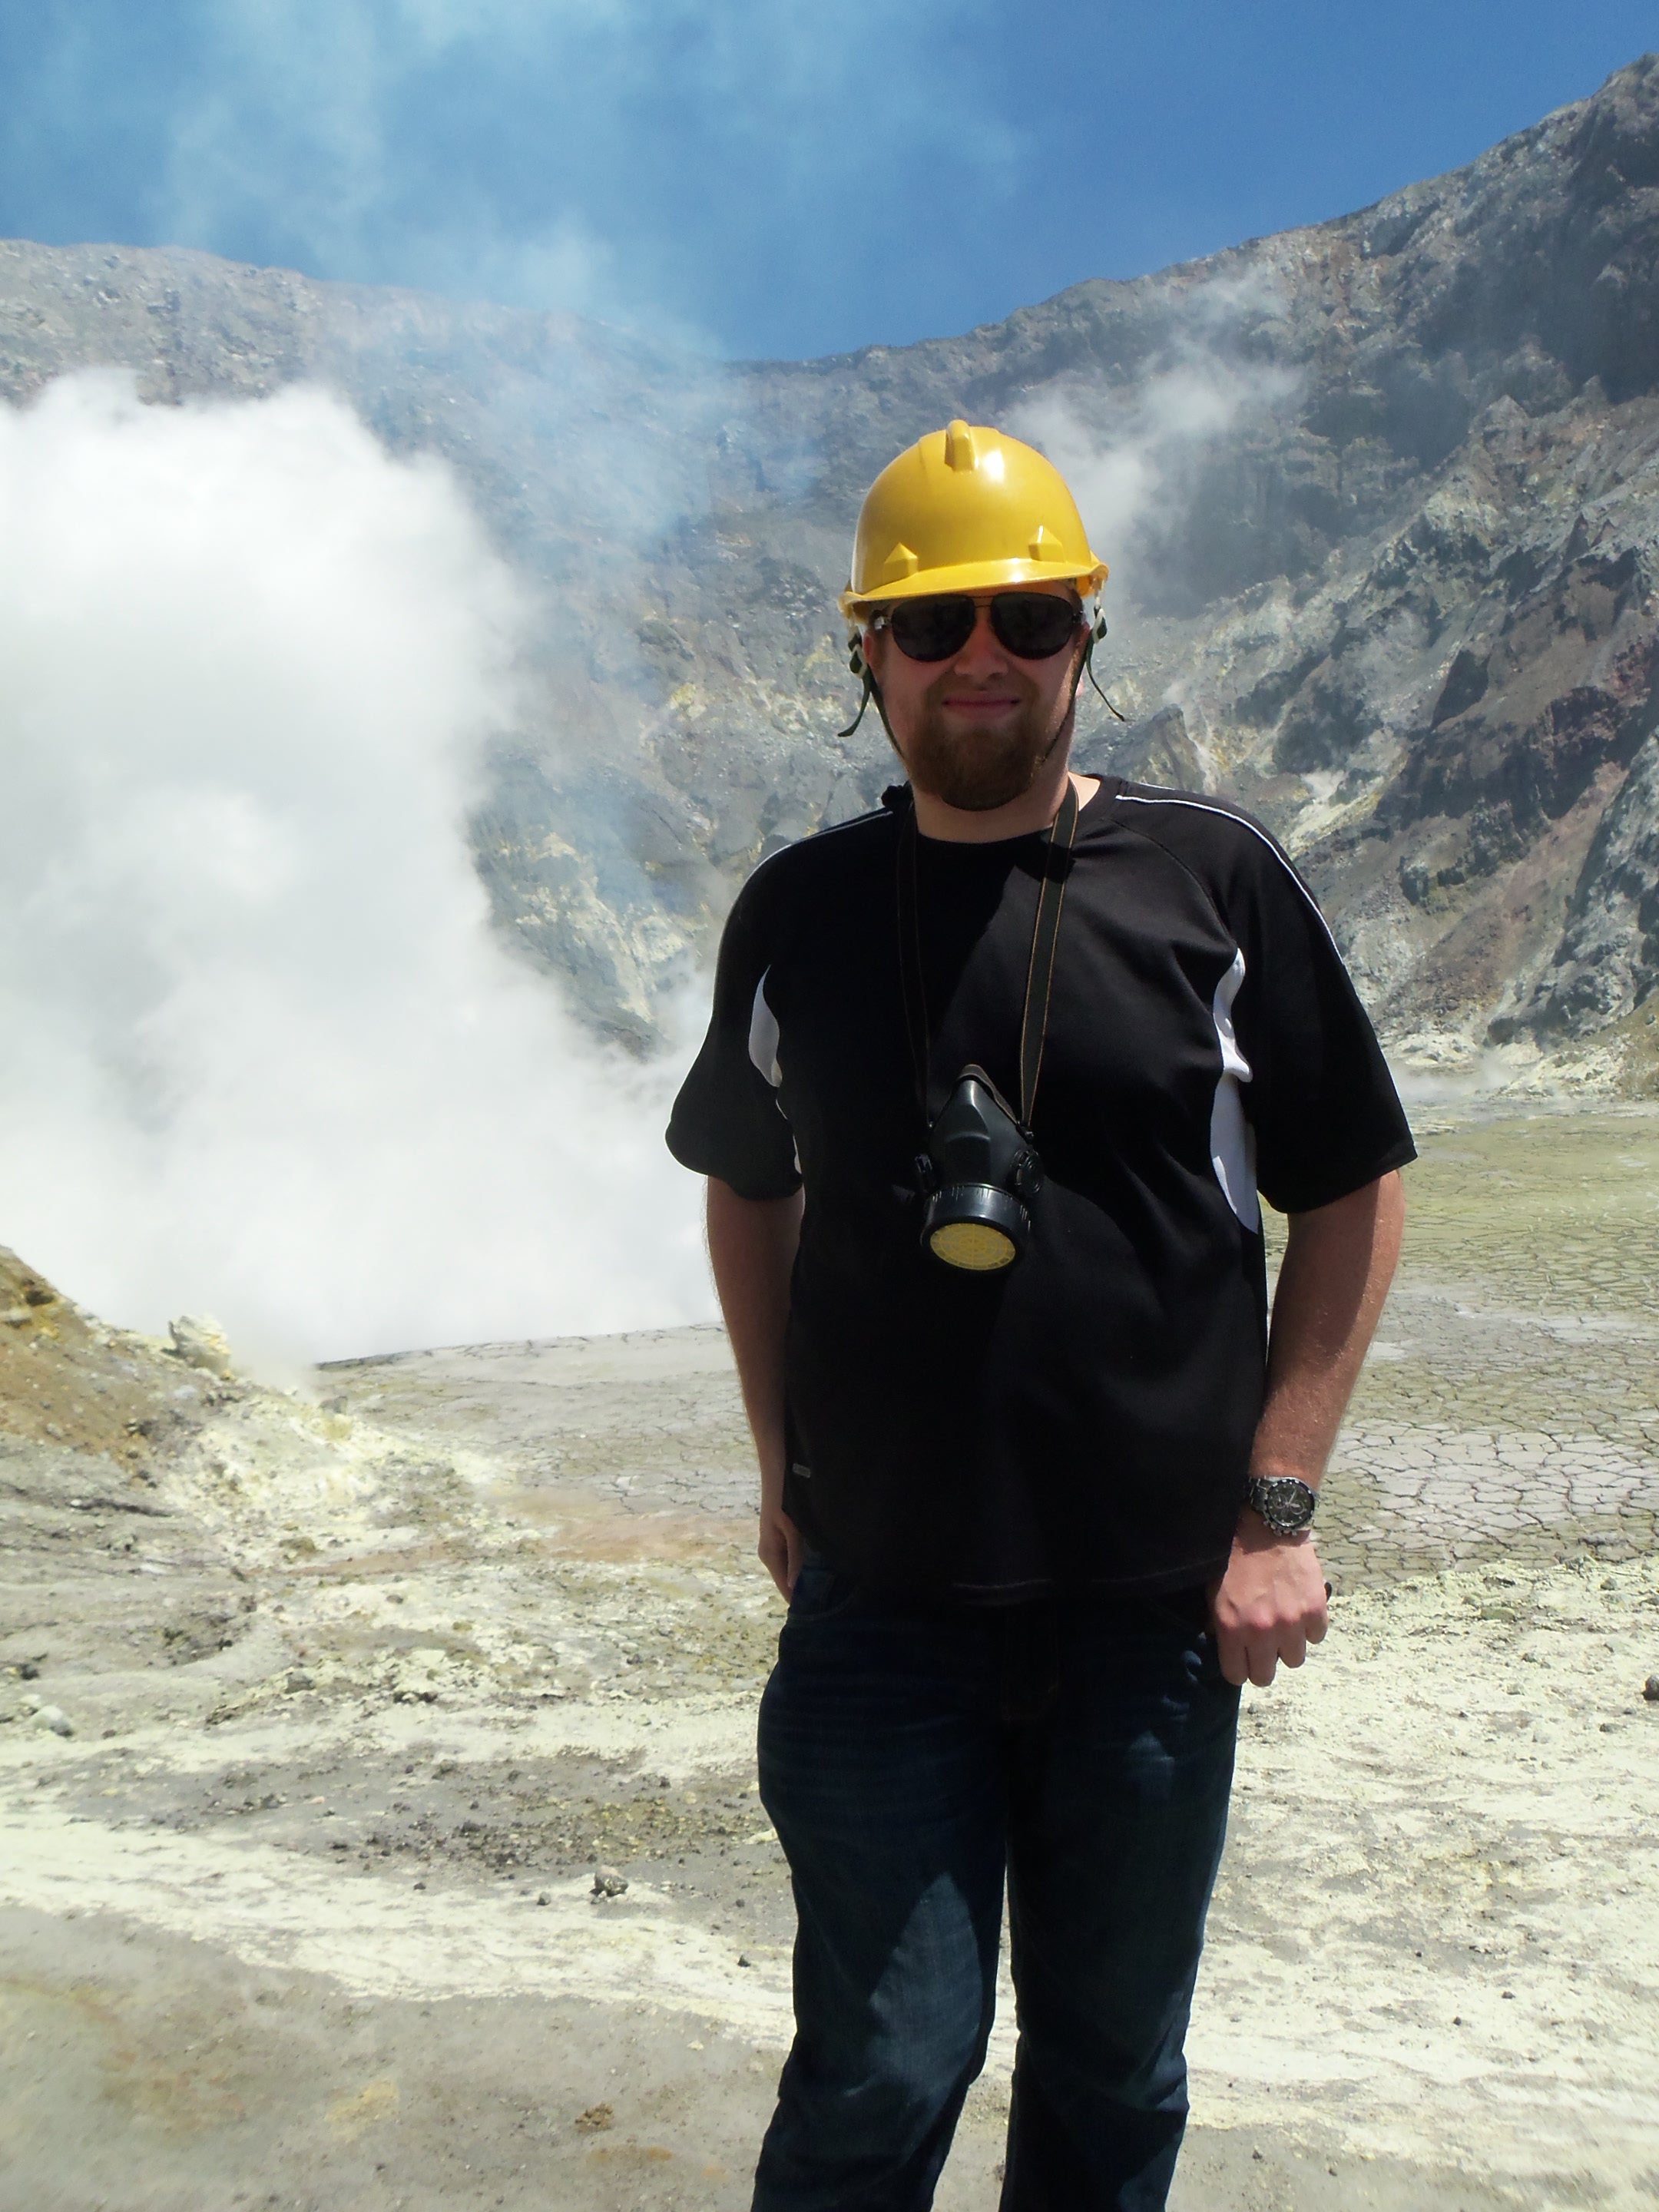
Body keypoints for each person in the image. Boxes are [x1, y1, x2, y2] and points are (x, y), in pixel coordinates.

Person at [666, 419, 1412, 2212]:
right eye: (933, 626)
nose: (981, 659)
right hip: (881, 1611)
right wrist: (778, 1464)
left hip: (1151, 1613)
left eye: (1028, 617)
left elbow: (1354, 1183)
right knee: (878, 2072)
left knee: (1110, 2079)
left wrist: (1278, 1508)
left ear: (1089, 632)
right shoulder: (796, 915)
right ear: (867, 655)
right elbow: (749, 1185)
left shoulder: (1214, 882)